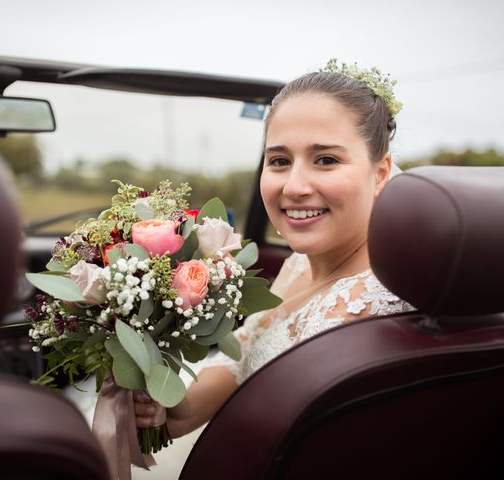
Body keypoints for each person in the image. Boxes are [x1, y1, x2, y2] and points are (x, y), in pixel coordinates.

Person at [133, 59, 413, 441]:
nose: (294, 186)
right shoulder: (299, 263)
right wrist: (174, 406)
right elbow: (242, 361)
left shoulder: (376, 310)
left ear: (380, 173)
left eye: (326, 160)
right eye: (279, 160)